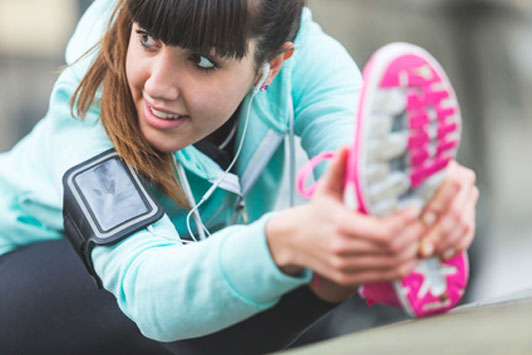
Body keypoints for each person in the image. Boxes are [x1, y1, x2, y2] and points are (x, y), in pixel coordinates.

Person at [0, 0, 478, 354]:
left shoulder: (302, 55)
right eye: (147, 39)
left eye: (203, 61)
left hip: (185, 265)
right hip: (27, 265)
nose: (158, 85)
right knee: (163, 331)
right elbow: (148, 292)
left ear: (271, 65)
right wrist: (284, 244)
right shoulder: (87, 104)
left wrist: (424, 207)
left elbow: (359, 163)